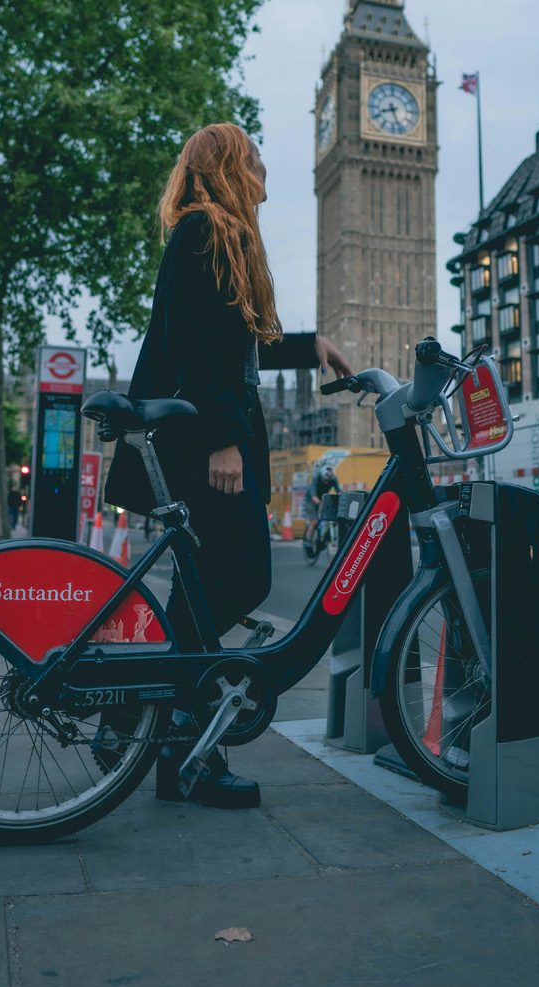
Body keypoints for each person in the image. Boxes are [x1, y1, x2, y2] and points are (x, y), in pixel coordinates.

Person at [103, 123, 354, 809]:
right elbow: (199, 345)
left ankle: (168, 739)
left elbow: (235, 343)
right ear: (230, 166)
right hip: (203, 441)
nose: (267, 168)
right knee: (242, 578)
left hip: (201, 435)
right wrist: (221, 440)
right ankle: (141, 709)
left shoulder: (206, 232)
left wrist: (313, 346)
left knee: (202, 594)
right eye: (257, 158)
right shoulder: (211, 231)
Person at [304, 458, 341, 553]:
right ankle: (308, 543)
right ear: (321, 476)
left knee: (330, 519)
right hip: (312, 499)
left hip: (323, 498)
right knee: (315, 521)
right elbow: (313, 495)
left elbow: (339, 491)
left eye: (328, 481)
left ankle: (323, 538)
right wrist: (319, 502)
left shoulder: (333, 478)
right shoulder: (316, 478)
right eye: (325, 480)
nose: (327, 483)